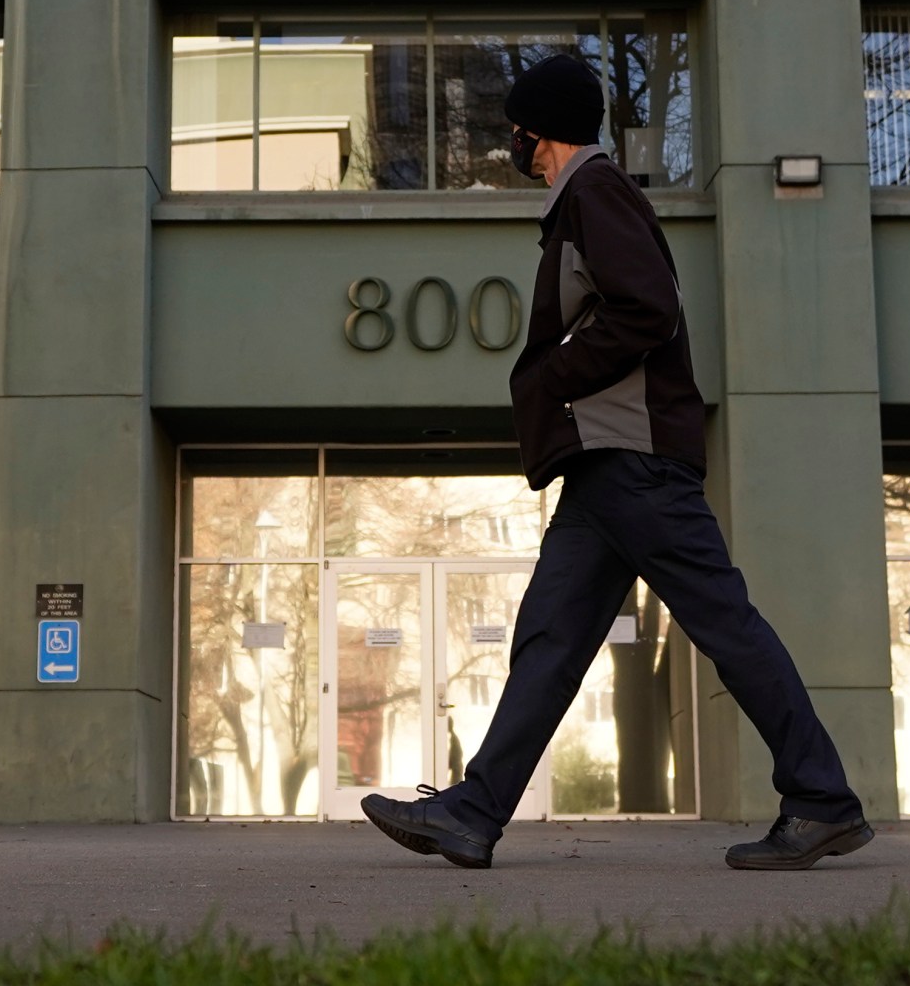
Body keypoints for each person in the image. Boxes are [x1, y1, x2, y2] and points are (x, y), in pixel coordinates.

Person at [360, 55, 875, 872]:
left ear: (541, 130)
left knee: (722, 623)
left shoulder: (595, 192)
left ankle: (821, 799)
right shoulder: (583, 201)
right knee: (551, 637)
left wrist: (554, 374)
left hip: (632, 459)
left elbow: (648, 308)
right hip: (607, 469)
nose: (514, 143)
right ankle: (474, 812)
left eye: (518, 129)